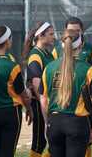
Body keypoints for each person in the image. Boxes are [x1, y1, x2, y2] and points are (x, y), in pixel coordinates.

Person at [39, 29, 92, 157]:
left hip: (54, 122)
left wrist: (47, 122)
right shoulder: (88, 69)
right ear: (80, 46)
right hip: (77, 123)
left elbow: (44, 100)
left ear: (62, 46)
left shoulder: (49, 68)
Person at [0, 25, 33, 157]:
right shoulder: (11, 66)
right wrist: (29, 109)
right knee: (7, 152)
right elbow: (22, 94)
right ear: (7, 41)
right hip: (9, 112)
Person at [22, 22, 55, 157]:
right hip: (40, 102)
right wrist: (44, 104)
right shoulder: (36, 55)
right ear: (41, 36)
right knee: (39, 141)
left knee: (52, 140)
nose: (54, 37)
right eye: (51, 34)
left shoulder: (48, 54)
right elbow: (36, 84)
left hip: (49, 101)